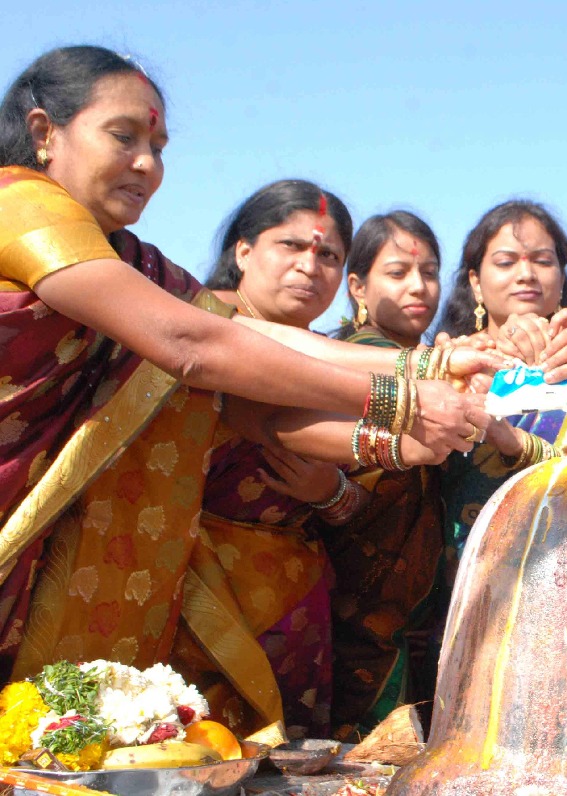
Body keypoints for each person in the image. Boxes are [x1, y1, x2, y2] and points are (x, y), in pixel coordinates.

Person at [0, 46, 491, 740]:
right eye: (124, 136)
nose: (147, 164)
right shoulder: (19, 205)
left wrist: (420, 374)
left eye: (159, 146)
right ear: (46, 131)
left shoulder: (128, 262)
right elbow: (195, 349)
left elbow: (237, 334)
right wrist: (399, 405)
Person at [192, 180, 355, 738]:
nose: (310, 265)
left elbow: (349, 507)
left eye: (328, 254)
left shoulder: (335, 358)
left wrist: (329, 492)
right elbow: (271, 422)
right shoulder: (203, 324)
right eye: (291, 245)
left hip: (294, 602)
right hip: (196, 590)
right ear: (243, 251)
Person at [325, 210, 451, 737]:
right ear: (357, 286)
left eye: (428, 272)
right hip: (359, 595)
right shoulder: (350, 359)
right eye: (397, 273)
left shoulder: (432, 358)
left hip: (419, 608)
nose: (418, 287)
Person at [434, 200, 567, 564]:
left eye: (542, 261)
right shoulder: (449, 363)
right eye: (506, 262)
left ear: (561, 279)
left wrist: (522, 446)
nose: (526, 274)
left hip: (565, 569)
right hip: (462, 575)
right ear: (476, 283)